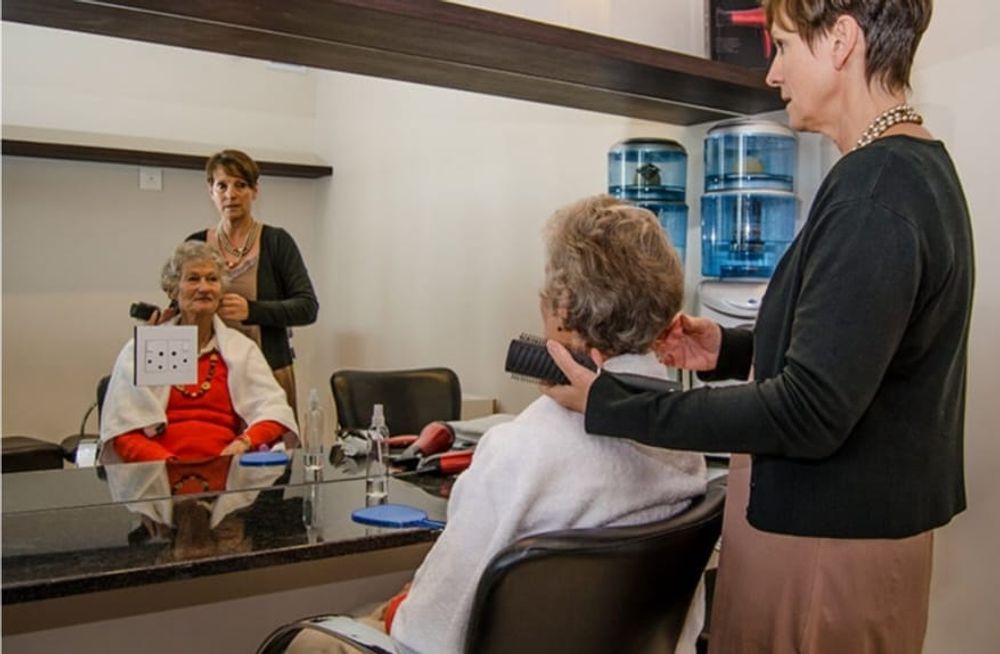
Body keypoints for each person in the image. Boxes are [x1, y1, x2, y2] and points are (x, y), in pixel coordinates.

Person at [545, 2, 973, 653]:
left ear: (840, 40)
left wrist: (616, 404)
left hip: (825, 549)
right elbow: (861, 354)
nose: (772, 74)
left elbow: (809, 410)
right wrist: (730, 348)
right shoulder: (909, 171)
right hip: (848, 536)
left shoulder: (874, 192)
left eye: (783, 46)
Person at [287, 196, 708, 654]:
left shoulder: (518, 452)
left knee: (310, 642)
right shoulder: (685, 444)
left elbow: (429, 632)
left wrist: (397, 609)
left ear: (564, 307)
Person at [101, 241, 298, 463]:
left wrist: (243, 443)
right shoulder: (143, 348)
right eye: (193, 279)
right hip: (159, 472)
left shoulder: (242, 349)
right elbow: (122, 430)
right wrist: (169, 464)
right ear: (173, 290)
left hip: (229, 469)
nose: (204, 288)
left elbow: (275, 412)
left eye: (212, 279)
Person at [185, 149, 318, 414]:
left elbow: (307, 308)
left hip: (267, 372)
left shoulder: (277, 242)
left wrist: (252, 311)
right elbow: (181, 307)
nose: (231, 194)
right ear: (211, 191)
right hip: (209, 374)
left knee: (272, 437)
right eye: (222, 186)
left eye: (241, 185)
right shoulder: (196, 244)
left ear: (255, 191)